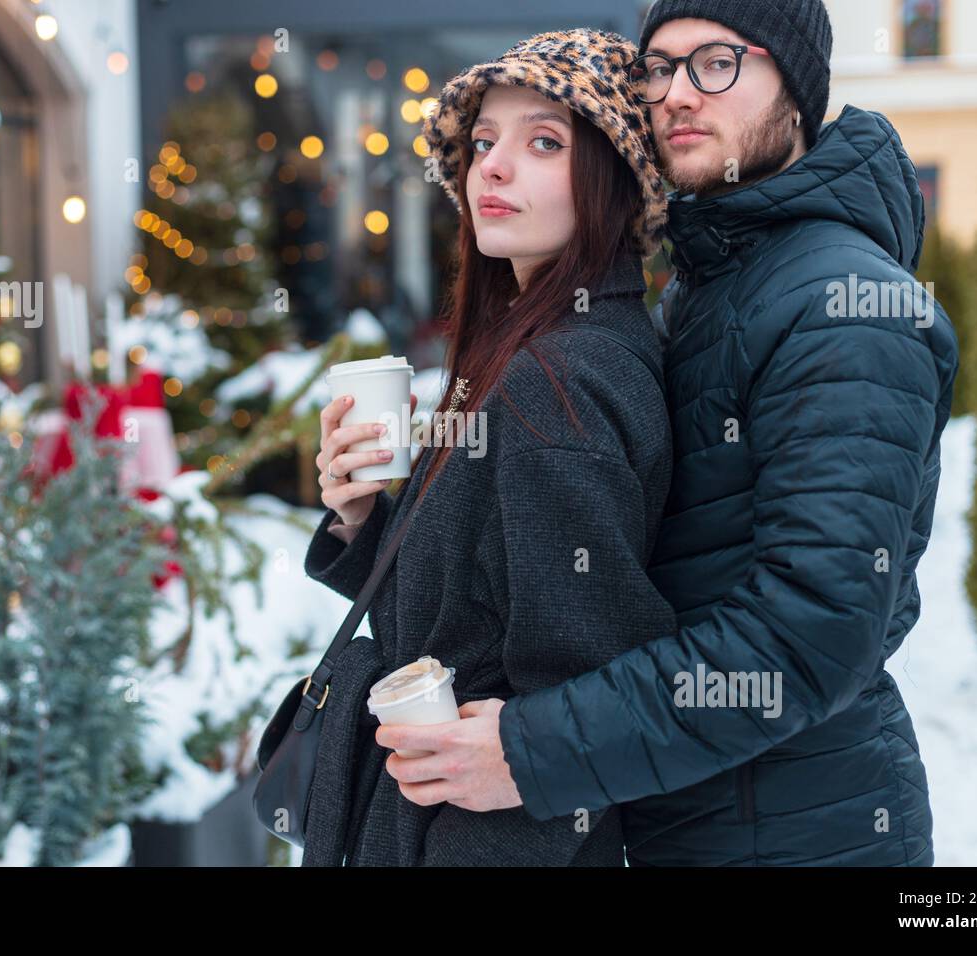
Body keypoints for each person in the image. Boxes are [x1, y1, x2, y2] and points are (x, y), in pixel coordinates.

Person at [378, 0, 958, 866]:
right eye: (659, 67)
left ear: (797, 93)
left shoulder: (845, 311)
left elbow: (807, 638)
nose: (678, 94)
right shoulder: (713, 281)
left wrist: (535, 752)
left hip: (798, 830)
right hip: (689, 813)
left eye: (716, 63)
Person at [300, 28, 674, 865]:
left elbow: (571, 708)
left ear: (612, 179)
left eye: (544, 142)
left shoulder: (563, 377)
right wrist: (363, 519)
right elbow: (461, 612)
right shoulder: (526, 346)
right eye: (483, 142)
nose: (493, 168)